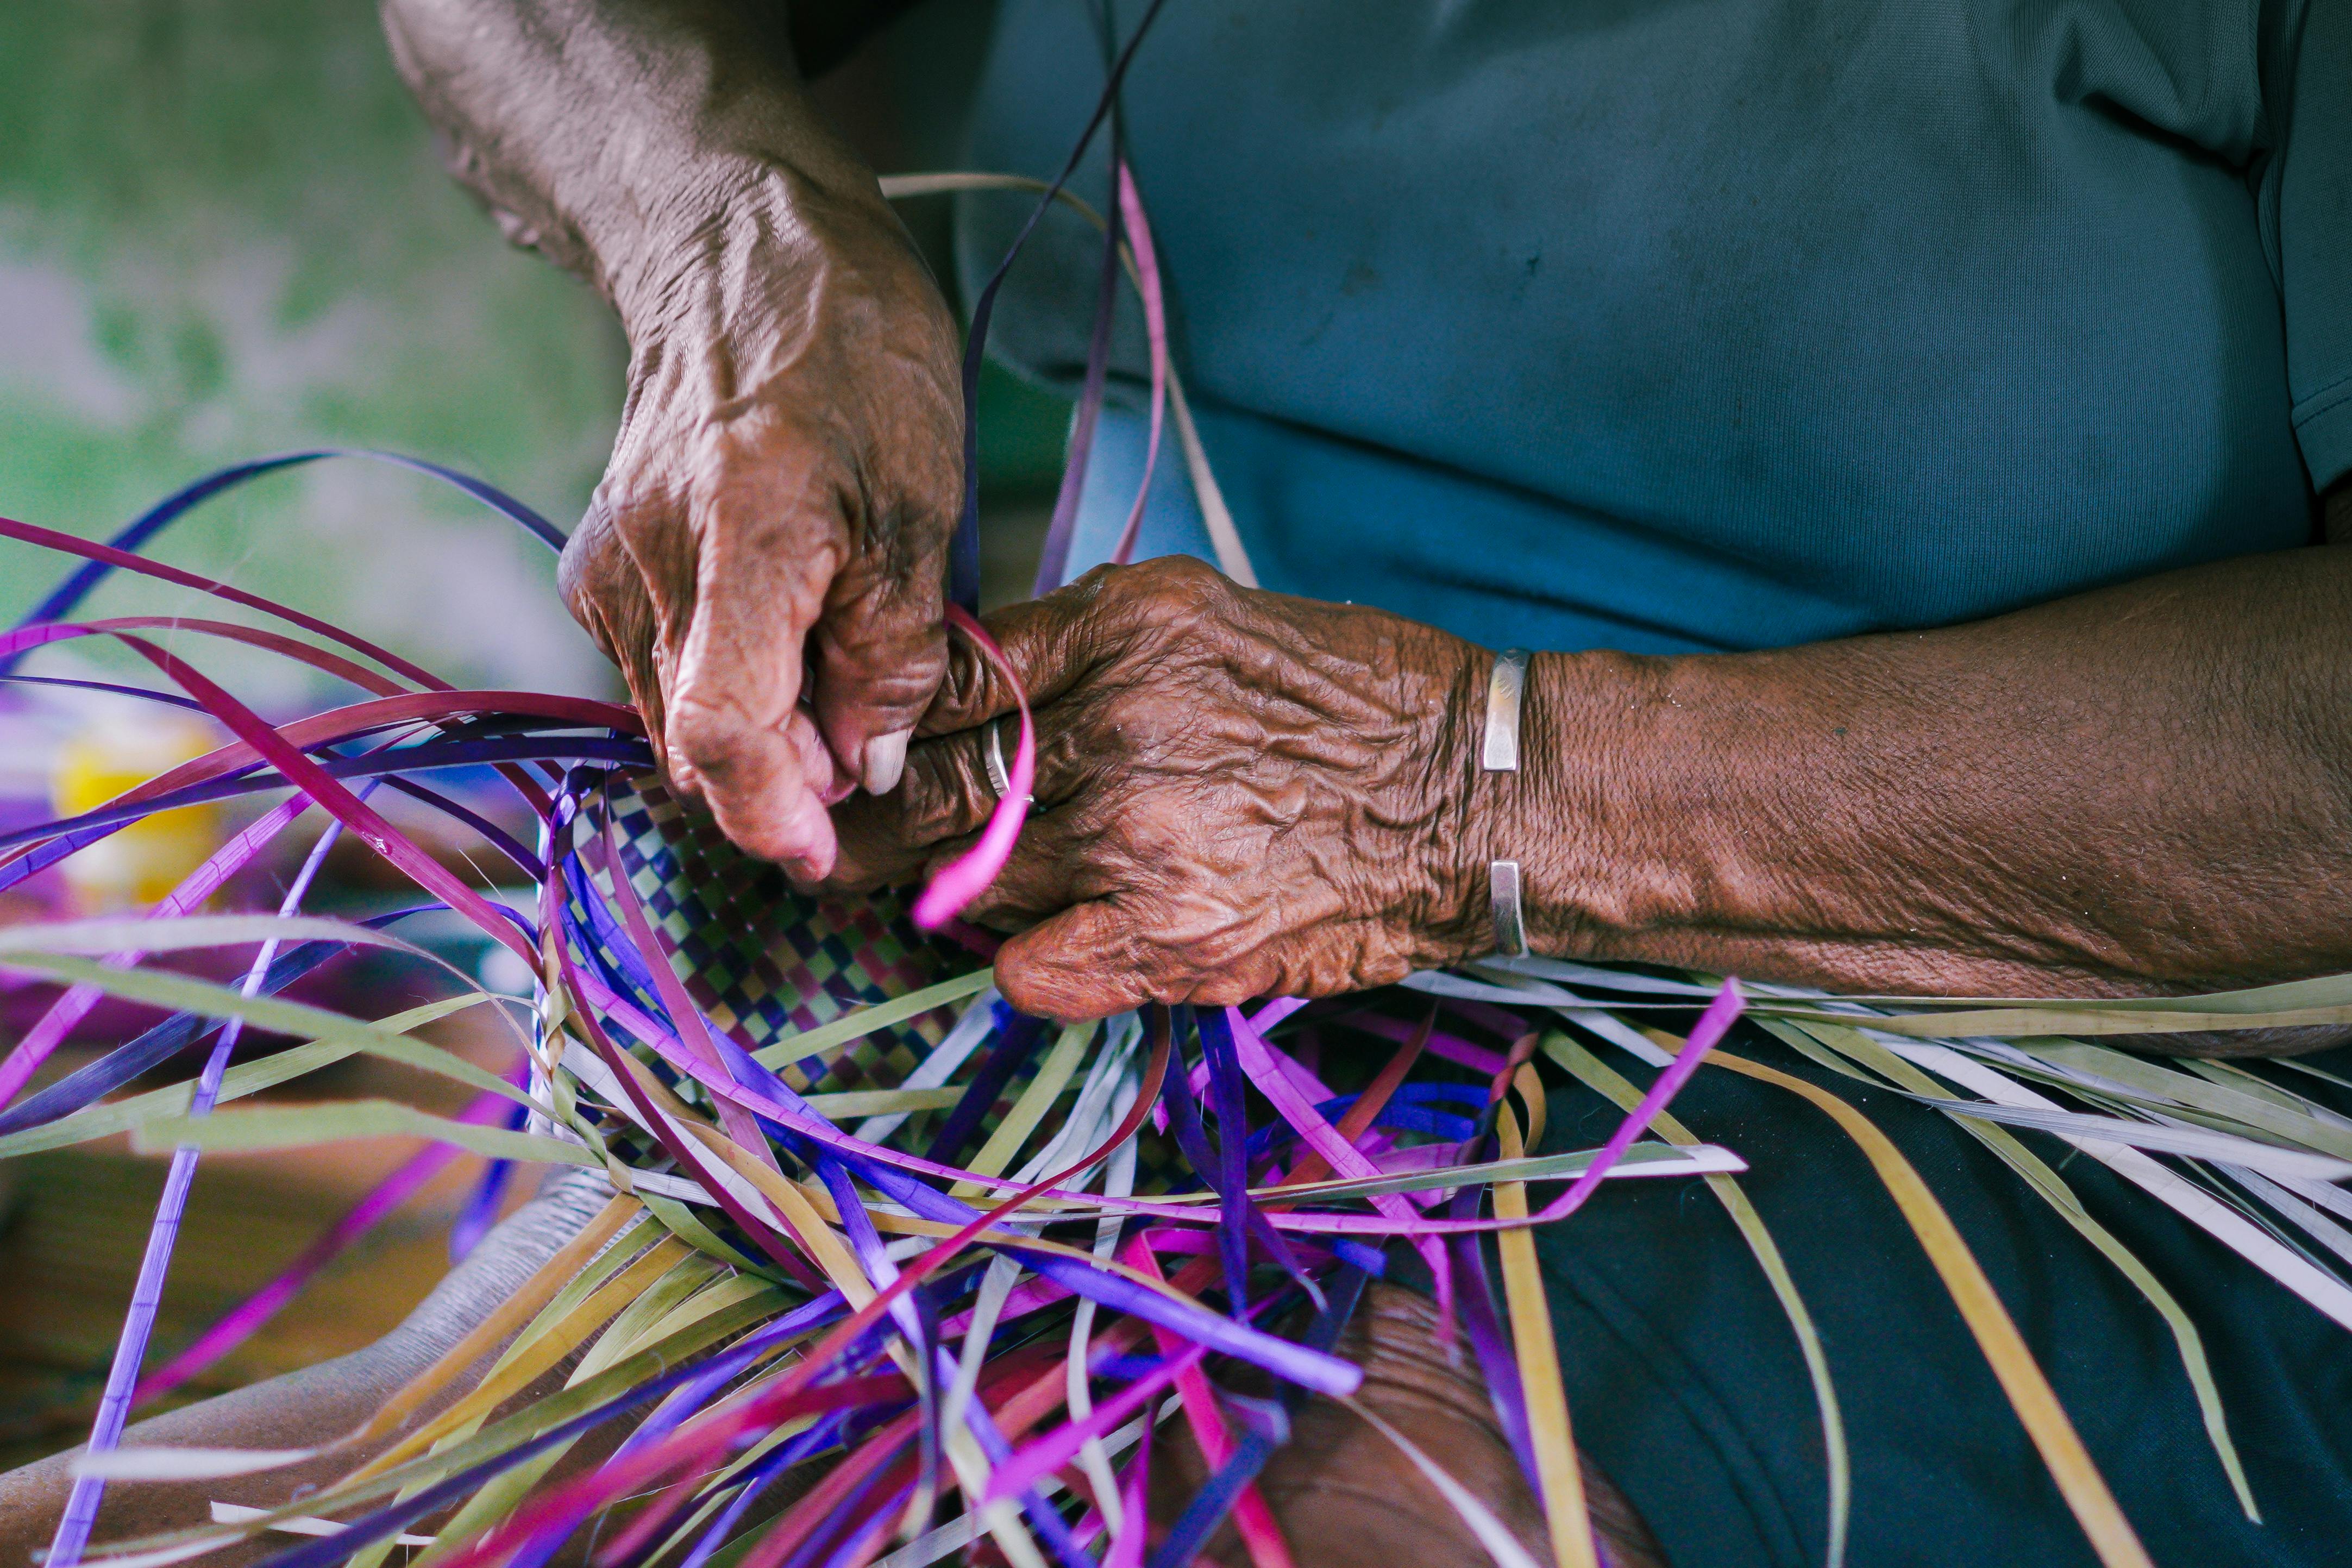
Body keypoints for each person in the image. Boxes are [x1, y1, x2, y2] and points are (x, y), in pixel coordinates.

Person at [8, 2, 2349, 1564]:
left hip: (2010, 1037)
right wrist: (724, 226)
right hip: (1091, 982)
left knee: (1257, 1496)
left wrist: (1464, 792)